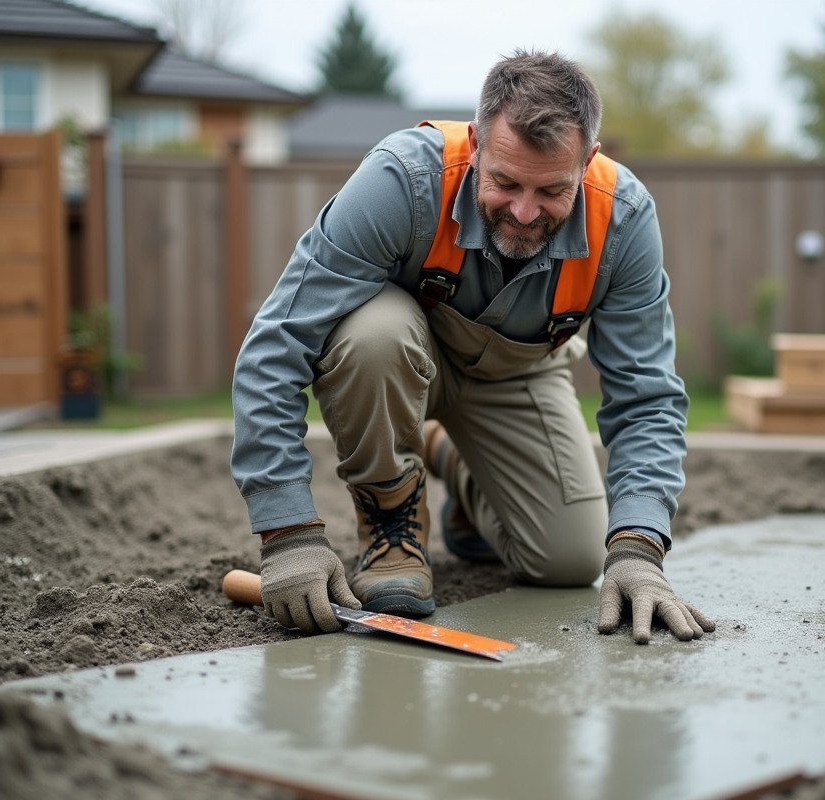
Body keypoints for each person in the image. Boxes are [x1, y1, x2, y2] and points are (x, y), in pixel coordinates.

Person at [231, 50, 714, 645]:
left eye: (552, 191)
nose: (525, 212)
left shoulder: (624, 220)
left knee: (571, 560)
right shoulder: (401, 182)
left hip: (516, 380)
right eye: (505, 182)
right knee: (373, 333)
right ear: (479, 143)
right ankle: (391, 524)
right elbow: (276, 346)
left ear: (587, 160)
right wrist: (290, 533)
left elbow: (647, 398)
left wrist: (639, 548)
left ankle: (457, 467)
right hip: (394, 363)